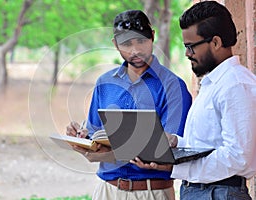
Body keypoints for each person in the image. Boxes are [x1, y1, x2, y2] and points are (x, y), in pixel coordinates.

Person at [131, 1, 256, 200]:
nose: (187, 54)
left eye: (191, 47)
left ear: (215, 42)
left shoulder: (236, 85)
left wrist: (178, 165)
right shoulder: (214, 83)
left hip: (218, 193)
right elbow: (207, 145)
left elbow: (238, 156)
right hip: (203, 192)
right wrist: (175, 144)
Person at [66, 10, 192, 200]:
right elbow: (94, 135)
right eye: (126, 44)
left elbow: (170, 151)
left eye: (141, 41)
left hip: (151, 192)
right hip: (106, 191)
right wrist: (81, 138)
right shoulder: (104, 83)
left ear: (152, 36)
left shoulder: (174, 87)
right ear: (115, 44)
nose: (135, 51)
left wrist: (104, 155)